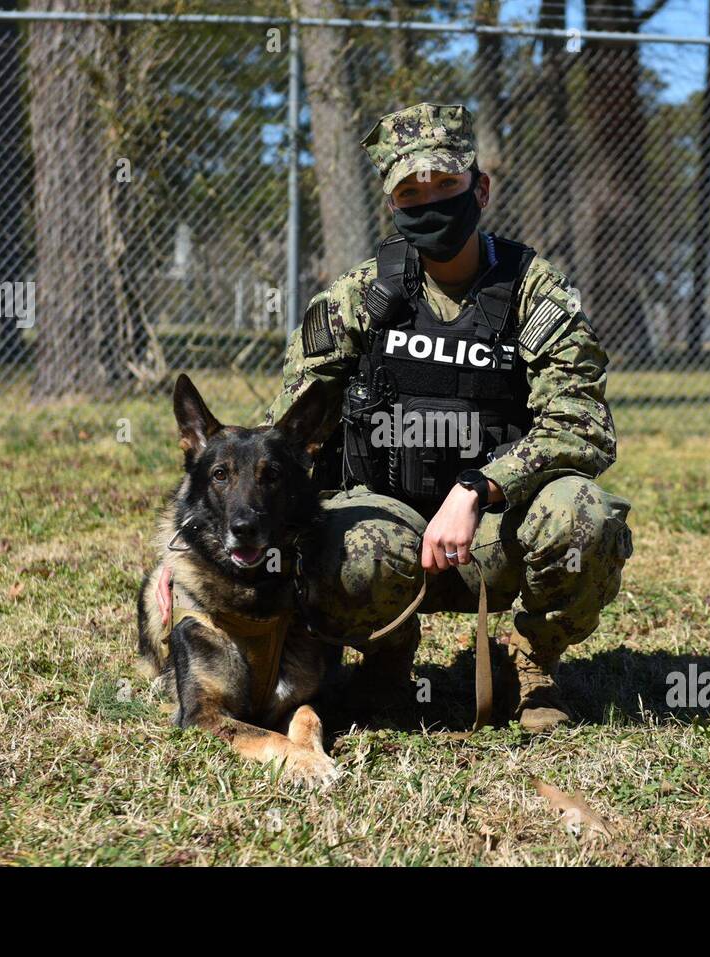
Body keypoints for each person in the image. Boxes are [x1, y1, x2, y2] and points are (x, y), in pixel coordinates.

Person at [266, 102, 632, 732]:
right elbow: (279, 442)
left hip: (498, 530)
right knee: (342, 548)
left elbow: (582, 424)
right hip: (390, 528)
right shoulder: (359, 298)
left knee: (586, 519)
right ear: (392, 206)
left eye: (446, 185)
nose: (429, 202)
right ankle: (386, 660)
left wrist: (480, 487)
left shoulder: (533, 290)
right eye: (411, 192)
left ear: (480, 188)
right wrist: (196, 548)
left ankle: (530, 660)